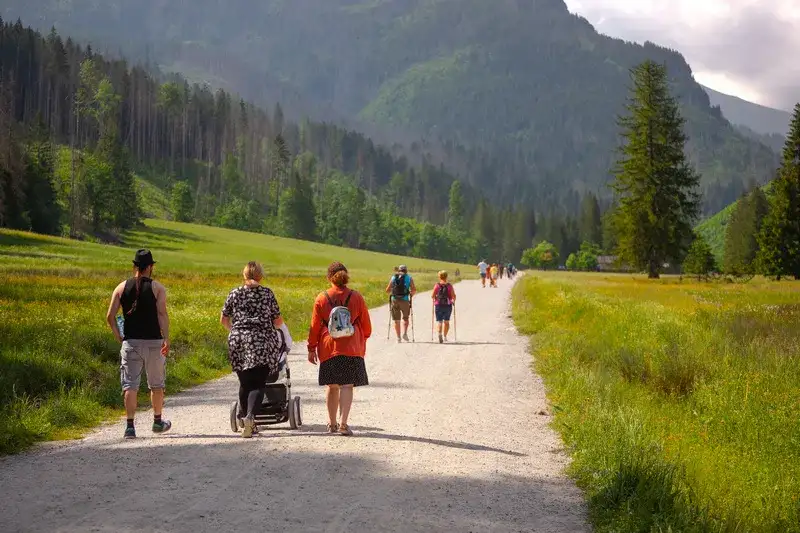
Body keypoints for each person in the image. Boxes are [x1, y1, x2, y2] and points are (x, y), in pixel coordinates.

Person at [105, 249, 171, 440]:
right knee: (156, 385)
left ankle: (130, 427)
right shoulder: (157, 288)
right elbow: (162, 315)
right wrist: (166, 338)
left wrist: (119, 336)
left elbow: (110, 316)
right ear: (150, 267)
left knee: (130, 385)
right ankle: (157, 422)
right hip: (153, 342)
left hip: (131, 342)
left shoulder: (120, 287)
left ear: (134, 266)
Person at [221, 261, 287, 438]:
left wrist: (236, 331)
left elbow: (224, 319)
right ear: (260, 276)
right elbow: (278, 321)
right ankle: (250, 417)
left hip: (238, 341)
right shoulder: (267, 293)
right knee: (258, 384)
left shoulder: (234, 293)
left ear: (243, 275)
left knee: (245, 383)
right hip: (262, 341)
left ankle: (244, 421)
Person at [307, 262, 372, 436]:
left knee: (332, 386)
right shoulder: (356, 297)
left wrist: (311, 348)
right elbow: (366, 327)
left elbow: (314, 326)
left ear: (329, 277)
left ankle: (332, 423)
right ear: (346, 276)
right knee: (347, 386)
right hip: (351, 346)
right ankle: (344, 424)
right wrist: (362, 338)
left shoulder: (322, 298)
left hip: (329, 347)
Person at [386, 264, 416, 342]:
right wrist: (410, 295)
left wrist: (393, 291)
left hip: (394, 300)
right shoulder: (409, 278)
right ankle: (405, 334)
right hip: (405, 300)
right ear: (406, 271)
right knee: (405, 318)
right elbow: (414, 290)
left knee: (396, 320)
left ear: (399, 270)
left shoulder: (393, 277)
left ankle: (398, 338)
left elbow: (387, 290)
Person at [431, 270, 456, 343]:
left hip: (438, 305)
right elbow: (453, 296)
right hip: (448, 305)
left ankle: (439, 334)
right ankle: (445, 336)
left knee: (439, 321)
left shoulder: (437, 285)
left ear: (439, 277)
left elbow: (432, 296)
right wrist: (454, 298)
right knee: (447, 322)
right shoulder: (449, 286)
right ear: (446, 276)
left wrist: (436, 299)